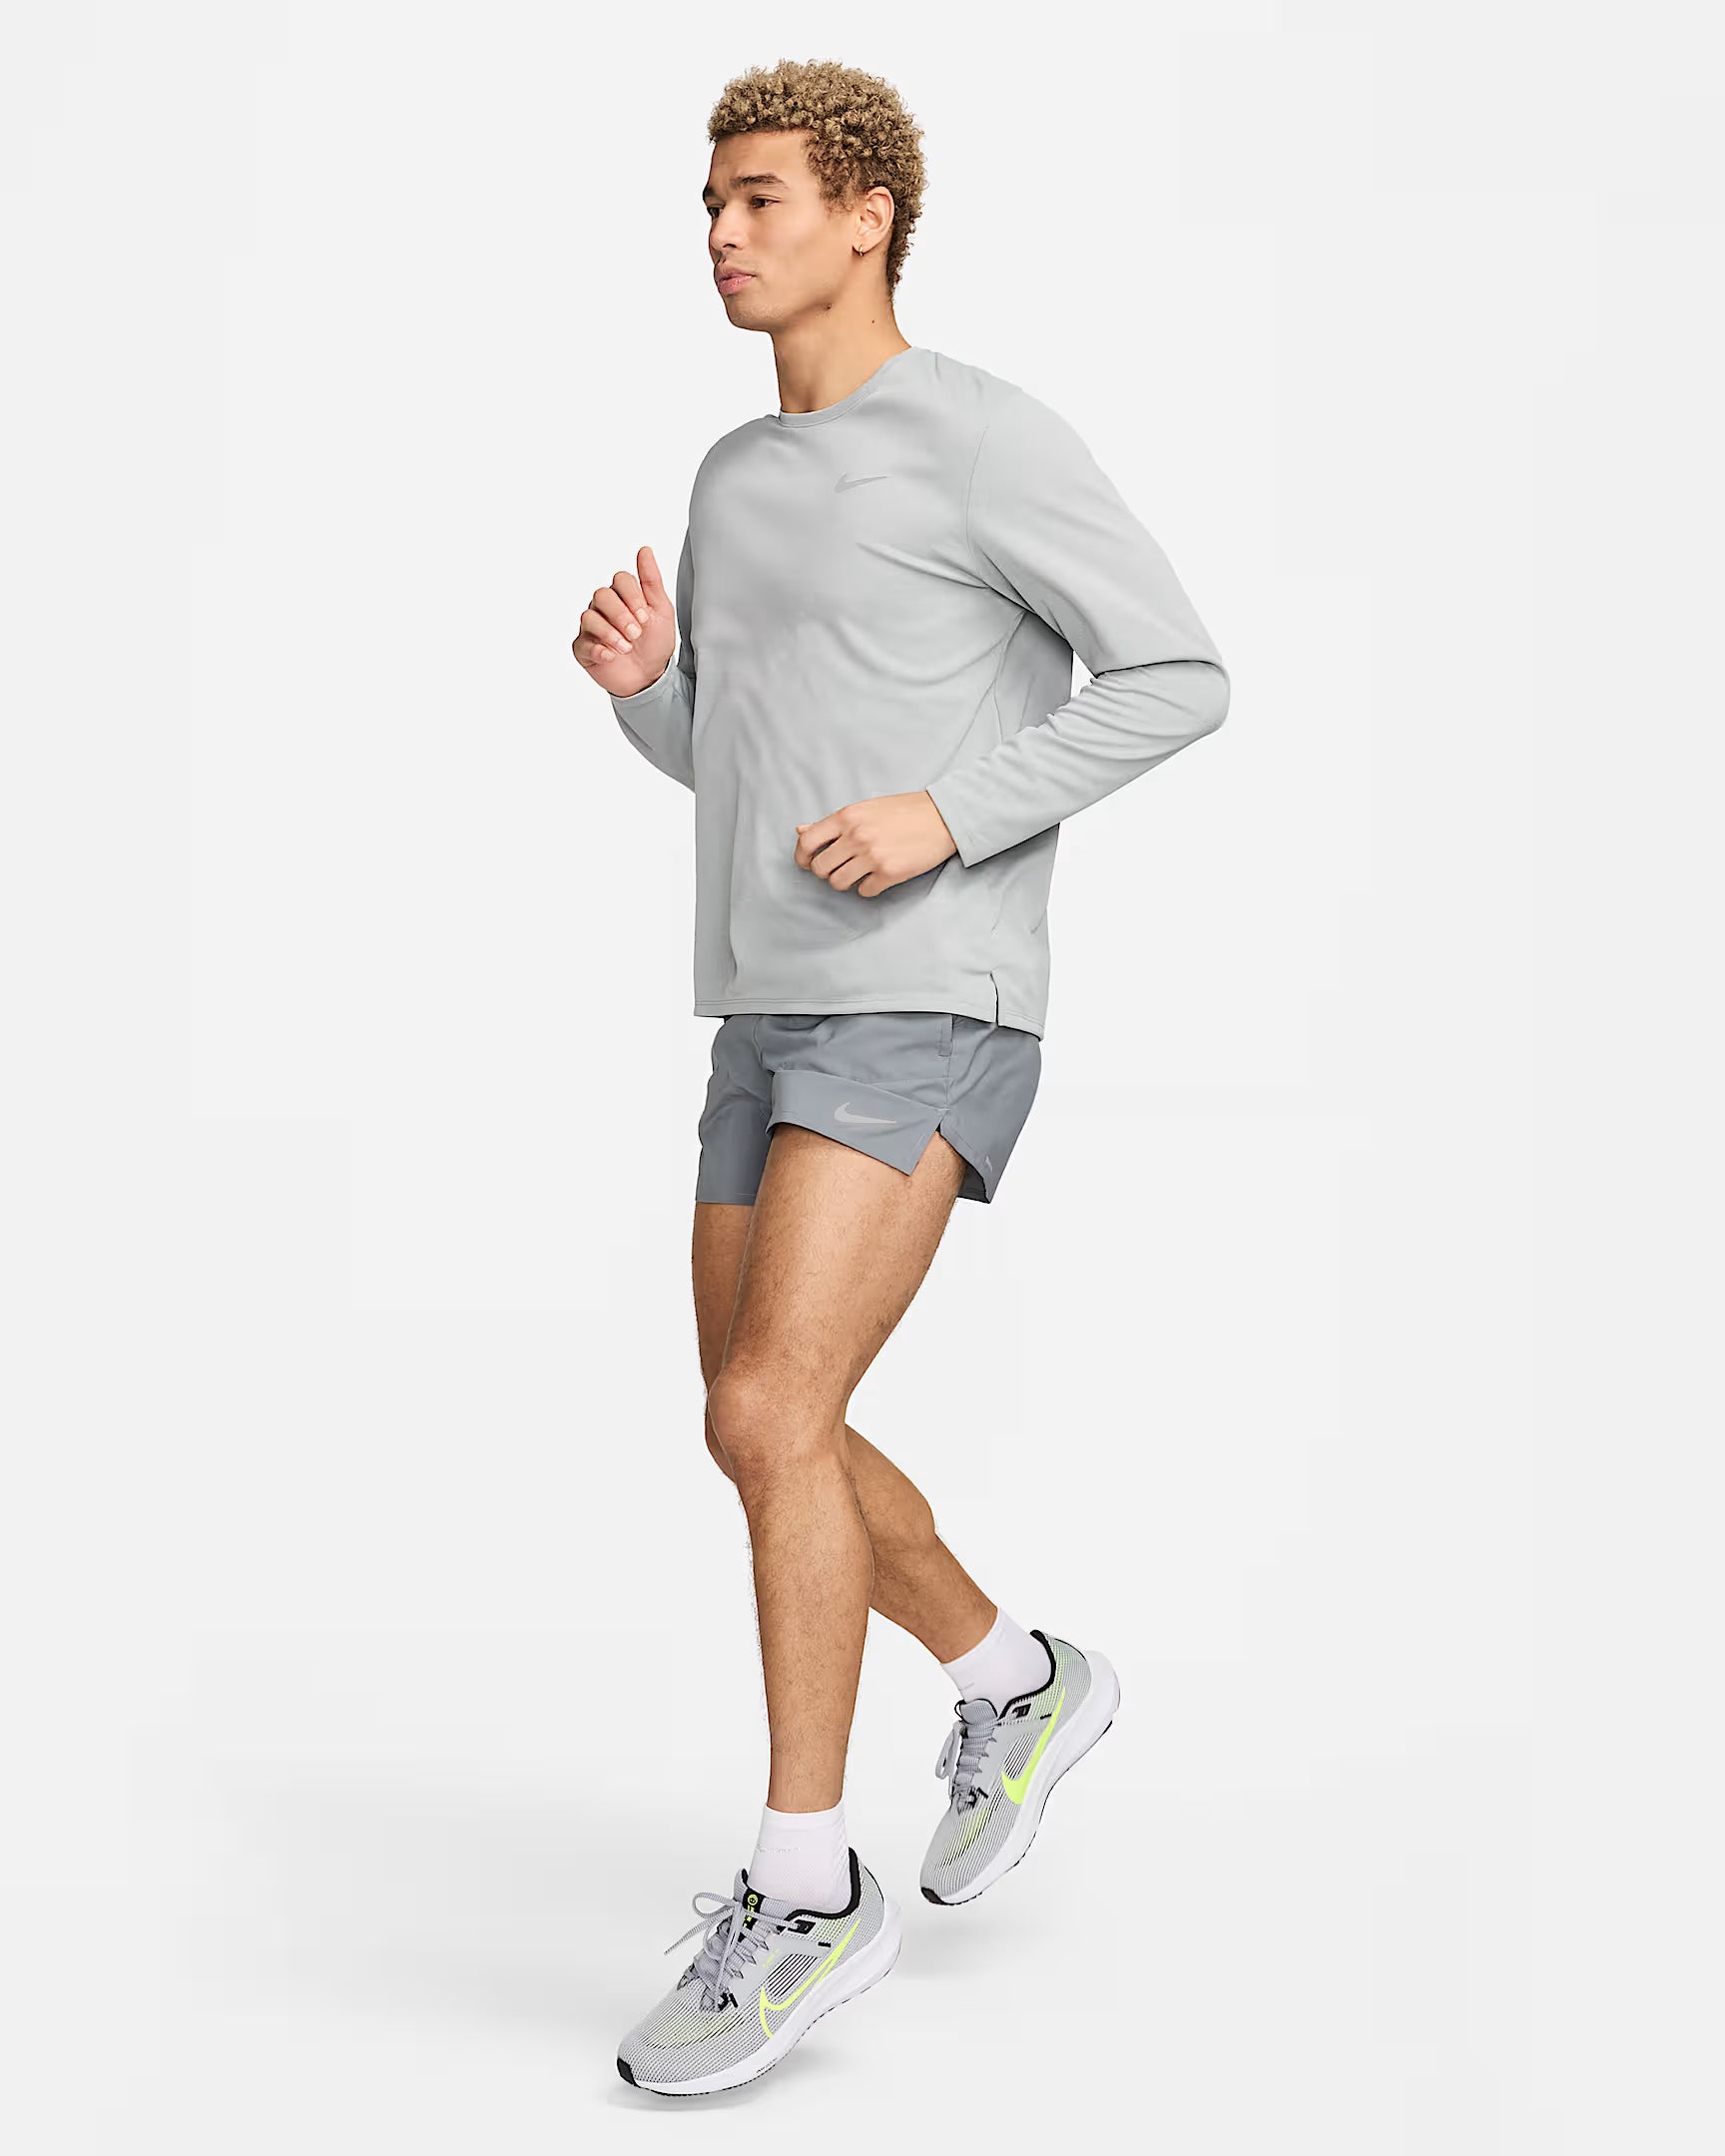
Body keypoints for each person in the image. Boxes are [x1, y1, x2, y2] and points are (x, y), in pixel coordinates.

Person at [572, 58, 1229, 2098]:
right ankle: (1016, 1679)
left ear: (867, 216)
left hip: (930, 994)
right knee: (759, 1425)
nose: (722, 234)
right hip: (760, 1006)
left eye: (760, 197)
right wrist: (651, 698)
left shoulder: (982, 436)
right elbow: (747, 761)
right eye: (707, 204)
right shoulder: (732, 474)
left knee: (771, 1406)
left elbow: (1180, 675)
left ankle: (807, 1884)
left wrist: (954, 815)